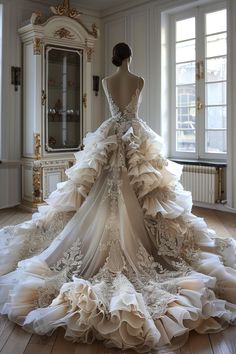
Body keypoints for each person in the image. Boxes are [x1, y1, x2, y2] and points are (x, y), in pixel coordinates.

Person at [0, 42, 236, 353]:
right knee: (137, 192)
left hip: (114, 135)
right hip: (132, 136)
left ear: (114, 57)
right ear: (130, 56)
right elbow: (132, 109)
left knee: (116, 191)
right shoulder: (137, 80)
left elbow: (118, 109)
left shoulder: (110, 81)